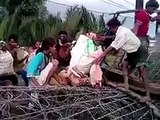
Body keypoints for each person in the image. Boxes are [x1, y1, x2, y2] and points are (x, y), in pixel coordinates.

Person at [94, 18, 150, 102]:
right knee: (124, 65)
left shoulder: (122, 33)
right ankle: (126, 85)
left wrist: (100, 57)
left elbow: (112, 47)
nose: (110, 30)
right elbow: (114, 41)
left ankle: (147, 95)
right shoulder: (120, 30)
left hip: (139, 51)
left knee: (142, 74)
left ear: (113, 27)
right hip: (131, 51)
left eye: (110, 28)